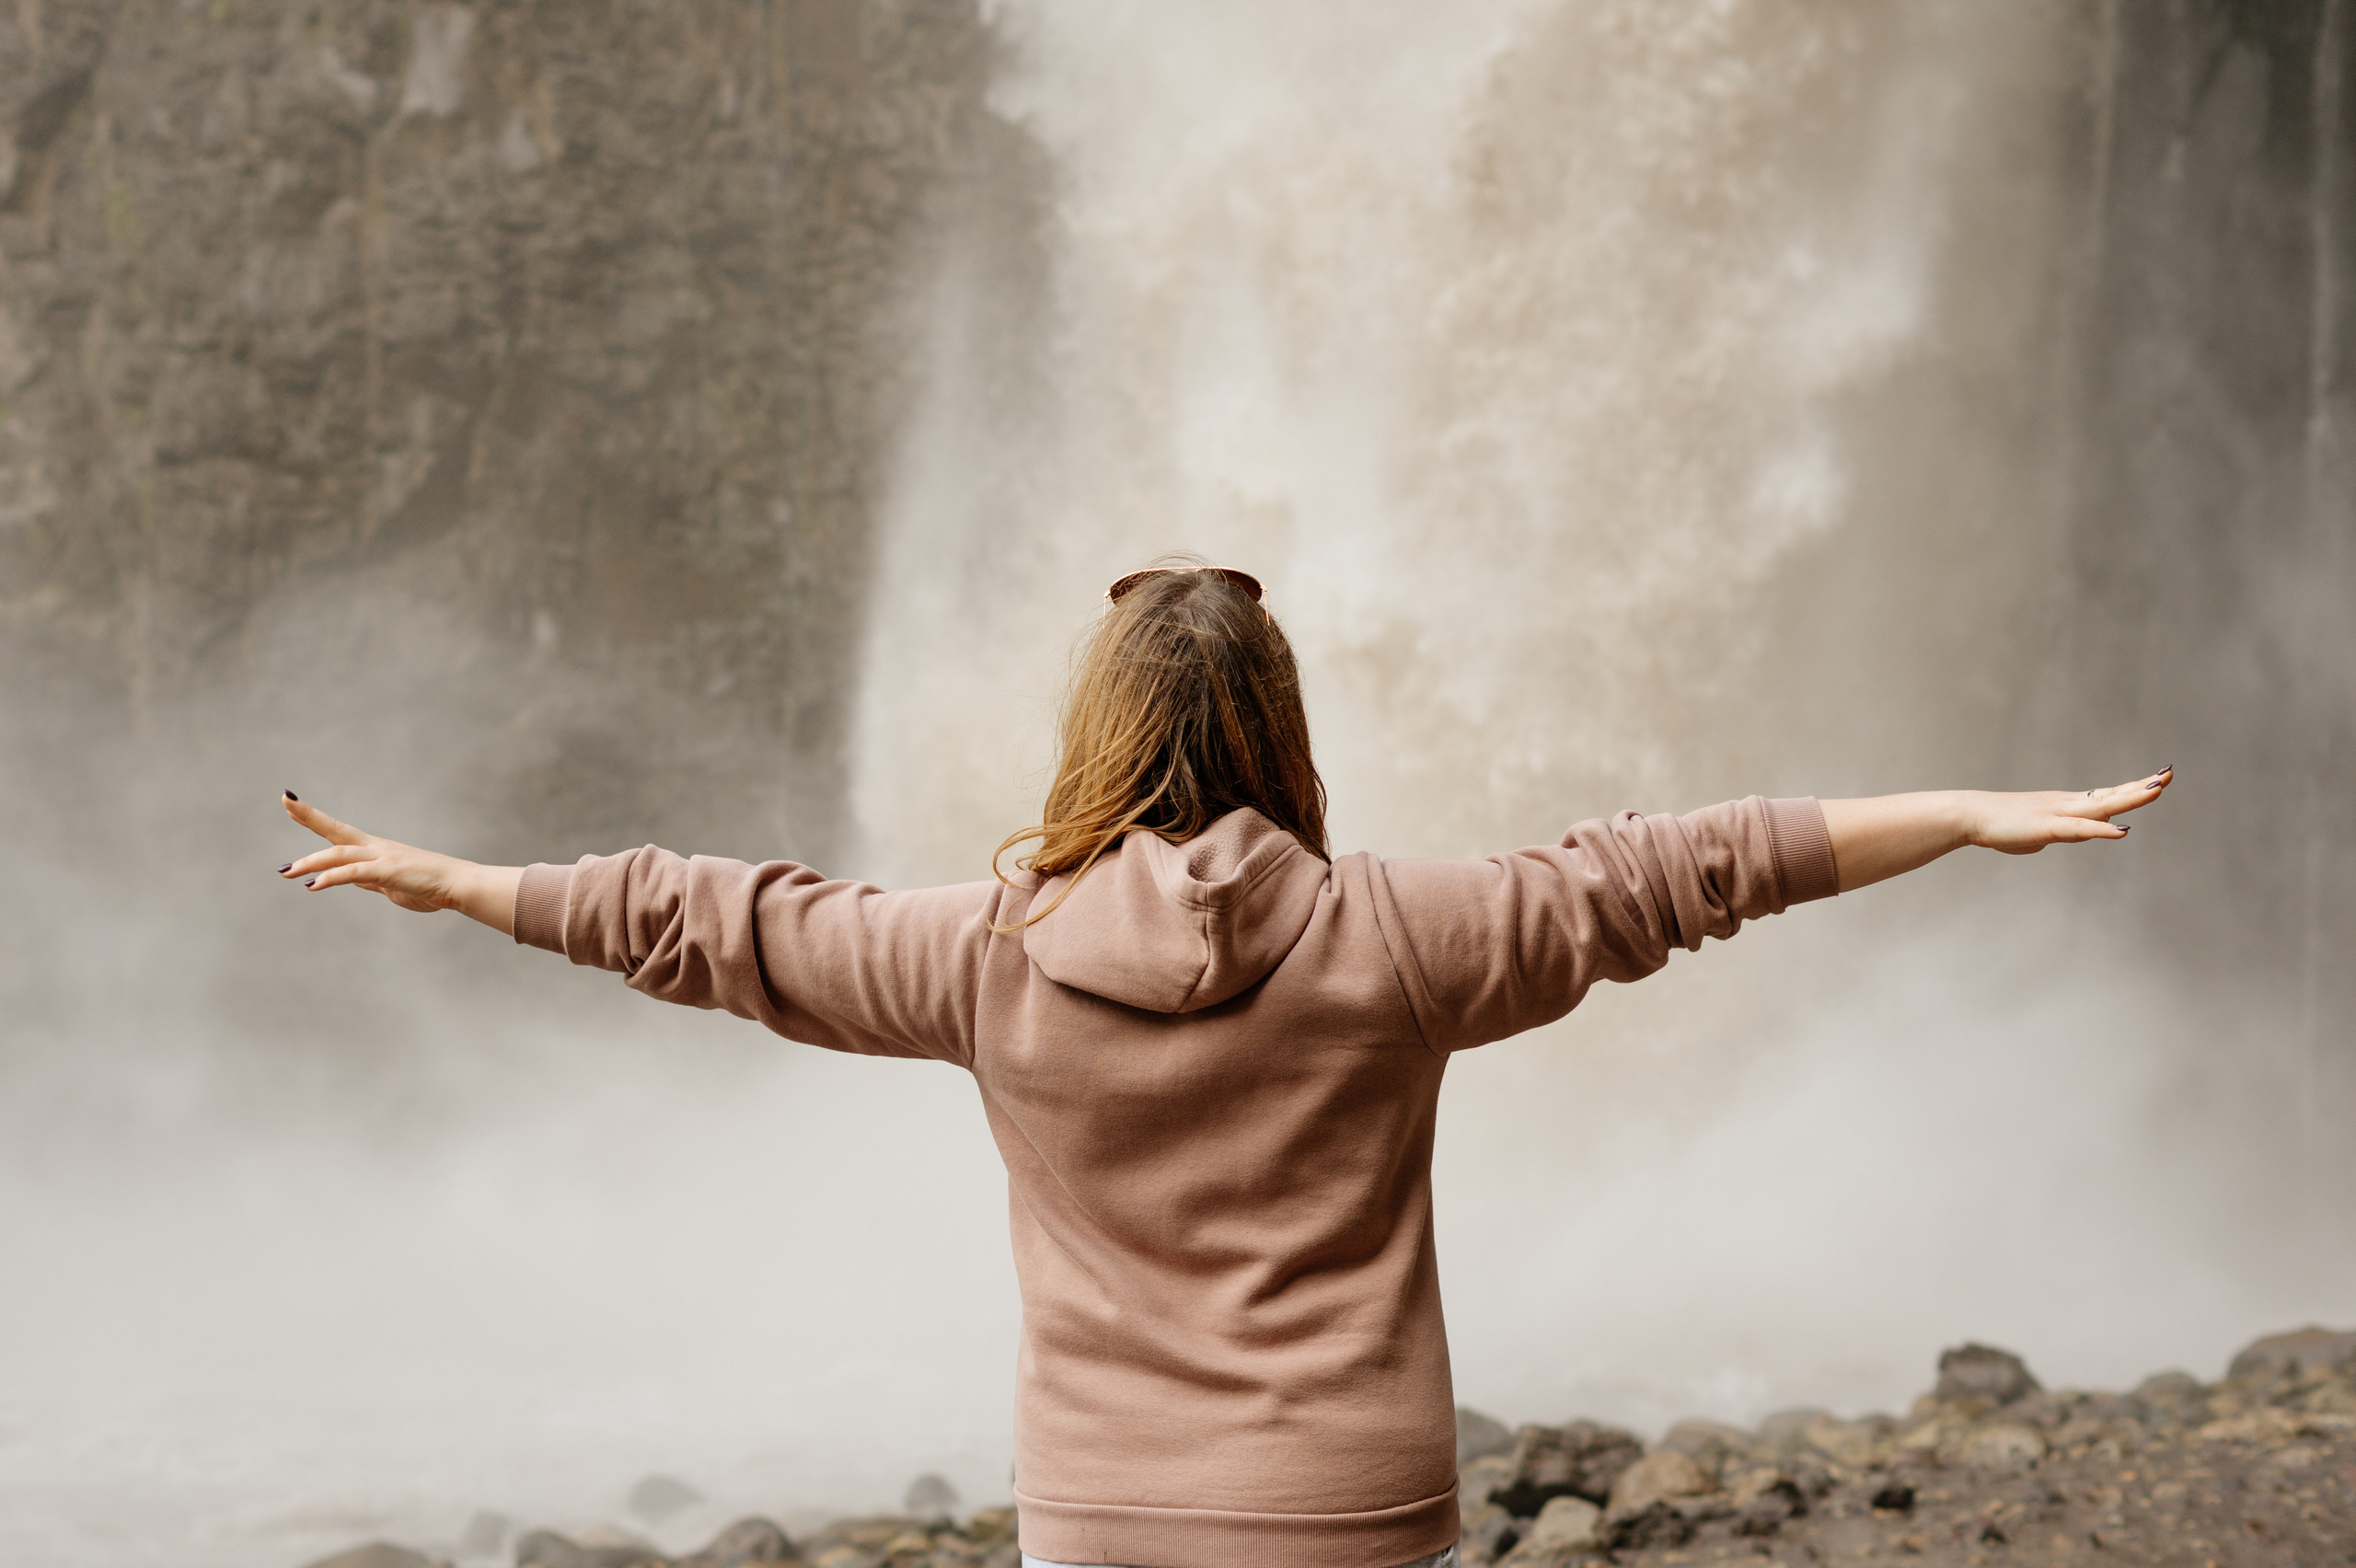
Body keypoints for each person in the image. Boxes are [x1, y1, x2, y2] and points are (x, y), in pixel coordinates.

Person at [276, 565, 2170, 1568]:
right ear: (1281, 729)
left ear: (1090, 732)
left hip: (1098, 1520)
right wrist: (1960, 809)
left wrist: (458, 879)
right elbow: (1682, 866)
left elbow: (711, 919)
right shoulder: (1405, 934)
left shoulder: (978, 952)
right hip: (1356, 1513)